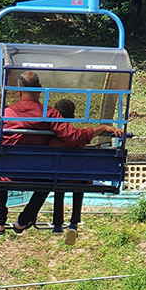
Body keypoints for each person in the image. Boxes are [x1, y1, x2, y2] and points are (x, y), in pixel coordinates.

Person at [0, 72, 123, 236]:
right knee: (48, 180)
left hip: (7, 173)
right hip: (37, 174)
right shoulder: (49, 113)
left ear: (19, 90)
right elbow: (74, 137)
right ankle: (24, 220)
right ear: (40, 90)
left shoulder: (5, 114)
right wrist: (102, 128)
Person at [47, 99, 102, 245]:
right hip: (76, 178)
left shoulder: (51, 137)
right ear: (72, 116)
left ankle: (58, 224)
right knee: (79, 186)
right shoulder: (75, 135)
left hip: (56, 177)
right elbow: (80, 144)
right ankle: (74, 223)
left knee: (59, 188)